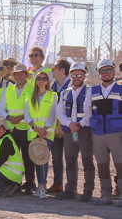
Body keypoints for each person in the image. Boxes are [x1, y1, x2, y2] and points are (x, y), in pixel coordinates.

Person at [83, 59, 122, 206]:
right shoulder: (92, 91)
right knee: (102, 165)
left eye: (109, 70)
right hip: (98, 134)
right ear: (99, 73)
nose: (106, 73)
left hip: (117, 133)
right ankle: (105, 194)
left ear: (113, 71)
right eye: (103, 71)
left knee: (120, 164)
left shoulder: (120, 89)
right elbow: (87, 112)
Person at [55, 62, 95, 202]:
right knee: (70, 161)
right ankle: (70, 189)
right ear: (70, 75)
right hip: (69, 131)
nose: (77, 77)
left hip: (84, 131)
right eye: (74, 75)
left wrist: (80, 124)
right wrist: (69, 124)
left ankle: (88, 190)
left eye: (79, 75)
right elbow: (59, 112)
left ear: (84, 75)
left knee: (87, 161)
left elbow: (91, 112)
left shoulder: (90, 91)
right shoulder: (65, 93)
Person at [0, 64, 35, 194]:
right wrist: (8, 117)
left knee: (28, 158)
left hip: (26, 128)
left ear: (26, 75)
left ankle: (30, 184)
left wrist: (22, 117)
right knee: (12, 158)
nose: (19, 76)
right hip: (11, 128)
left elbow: (35, 108)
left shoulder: (32, 88)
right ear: (14, 76)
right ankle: (14, 182)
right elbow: (0, 108)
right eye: (17, 74)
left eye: (22, 73)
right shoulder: (8, 90)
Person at [24, 70, 57, 199]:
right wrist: (35, 128)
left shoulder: (52, 95)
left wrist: (44, 130)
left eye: (44, 78)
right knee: (35, 159)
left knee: (42, 160)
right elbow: (27, 115)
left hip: (47, 134)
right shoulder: (30, 96)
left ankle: (42, 186)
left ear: (48, 81)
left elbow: (53, 114)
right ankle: (37, 185)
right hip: (33, 133)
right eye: (39, 79)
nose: (41, 81)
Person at [47, 59, 72, 193]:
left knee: (71, 156)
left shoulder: (73, 85)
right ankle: (58, 184)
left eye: (54, 67)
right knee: (56, 156)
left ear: (62, 70)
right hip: (55, 129)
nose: (52, 70)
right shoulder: (52, 87)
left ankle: (72, 186)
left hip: (70, 128)